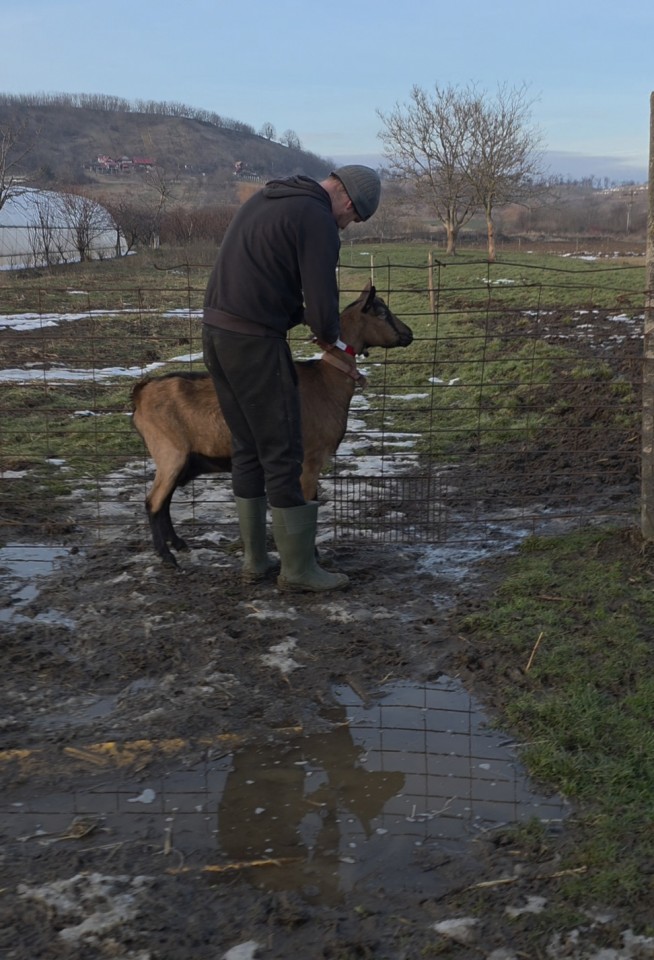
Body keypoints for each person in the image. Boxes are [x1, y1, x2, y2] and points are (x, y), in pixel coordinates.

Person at [202, 164, 381, 593]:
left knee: (248, 445)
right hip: (254, 342)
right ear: (347, 201)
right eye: (352, 219)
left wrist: (299, 318)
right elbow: (322, 302)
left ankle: (256, 559)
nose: (346, 225)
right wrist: (329, 338)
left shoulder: (271, 198)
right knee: (284, 449)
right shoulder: (317, 218)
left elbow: (269, 280)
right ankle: (298, 570)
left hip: (216, 334)